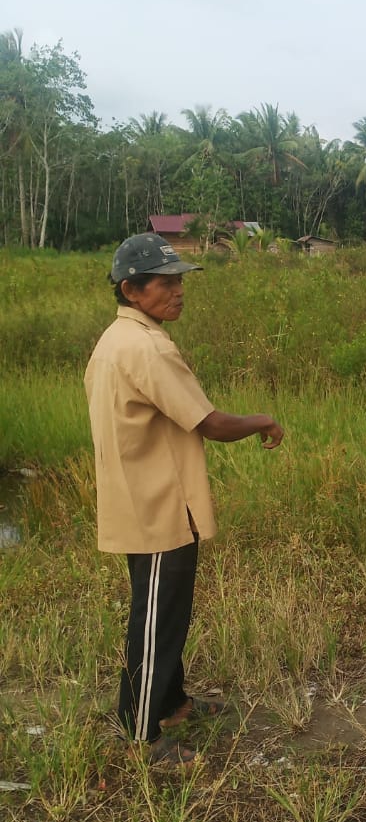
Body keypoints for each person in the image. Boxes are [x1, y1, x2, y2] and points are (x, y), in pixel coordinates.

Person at [85, 233, 284, 767]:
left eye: (179, 281)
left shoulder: (115, 340)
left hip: (148, 496)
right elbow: (210, 423)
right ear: (132, 288)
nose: (178, 292)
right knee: (154, 618)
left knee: (165, 610)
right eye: (166, 283)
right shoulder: (145, 347)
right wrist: (264, 420)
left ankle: (171, 704)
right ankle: (141, 733)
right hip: (156, 504)